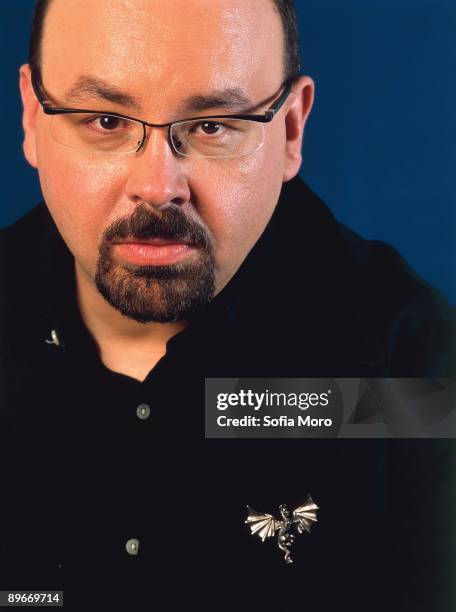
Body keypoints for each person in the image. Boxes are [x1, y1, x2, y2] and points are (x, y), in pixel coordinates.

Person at [0, 0, 454, 610]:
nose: (158, 187)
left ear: (291, 130)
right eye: (104, 121)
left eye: (213, 124)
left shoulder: (416, 368)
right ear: (32, 117)